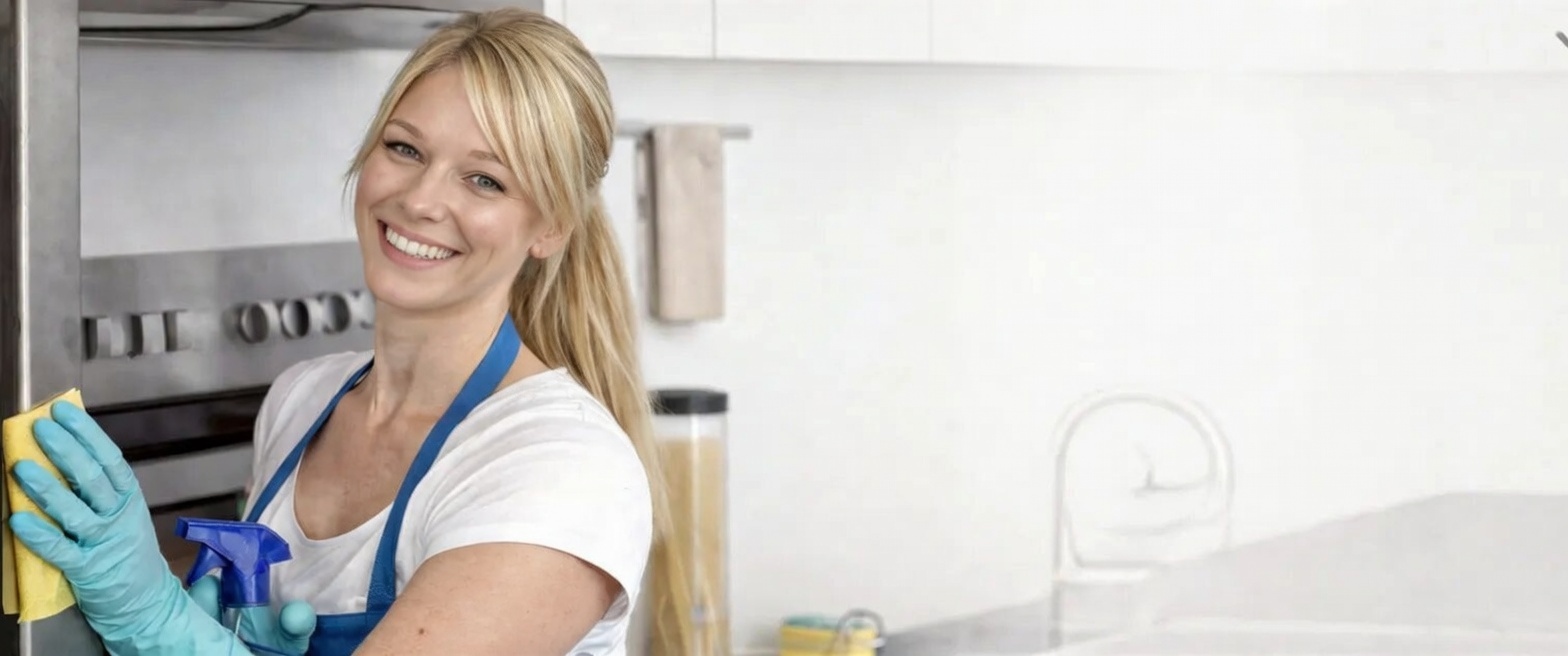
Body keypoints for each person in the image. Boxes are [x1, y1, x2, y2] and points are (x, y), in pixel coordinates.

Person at [6, 8, 676, 656]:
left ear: (551, 227)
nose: (419, 200)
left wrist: (152, 618)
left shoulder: (559, 467)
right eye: (404, 148)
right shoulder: (300, 401)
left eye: (483, 180)